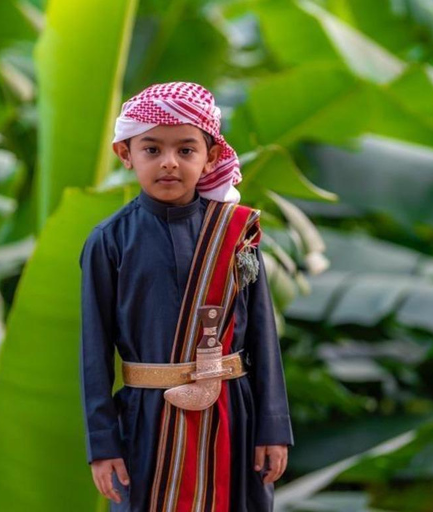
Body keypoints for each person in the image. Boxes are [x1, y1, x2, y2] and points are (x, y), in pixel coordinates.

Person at [79, 82, 294, 511]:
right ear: (126, 154)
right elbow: (94, 351)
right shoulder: (109, 240)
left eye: (186, 150)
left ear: (211, 156)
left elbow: (263, 337)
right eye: (152, 149)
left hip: (234, 417)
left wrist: (272, 428)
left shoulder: (237, 234)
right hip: (145, 422)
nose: (169, 164)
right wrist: (102, 445)